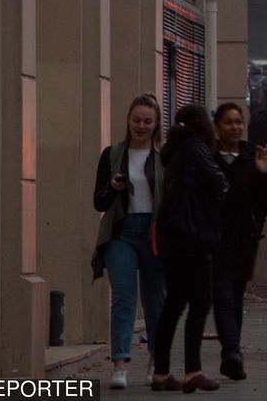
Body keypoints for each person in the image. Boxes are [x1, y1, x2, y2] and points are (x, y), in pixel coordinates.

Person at [151, 105, 230, 392]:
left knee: (173, 303)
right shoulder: (195, 147)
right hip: (194, 236)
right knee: (200, 303)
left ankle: (160, 373)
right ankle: (192, 370)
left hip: (172, 237)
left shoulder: (171, 150)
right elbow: (219, 182)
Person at [92, 93, 166, 390]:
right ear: (128, 120)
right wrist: (112, 188)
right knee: (123, 297)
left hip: (154, 233)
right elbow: (98, 202)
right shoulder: (113, 154)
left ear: (156, 123)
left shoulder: (163, 157)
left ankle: (155, 361)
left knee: (155, 300)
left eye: (148, 121)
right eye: (136, 120)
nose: (141, 126)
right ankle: (120, 363)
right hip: (121, 233)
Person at [210, 103, 267, 382]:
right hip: (214, 238)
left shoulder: (253, 156)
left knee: (235, 295)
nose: (235, 127)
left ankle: (231, 351)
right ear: (218, 126)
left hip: (244, 238)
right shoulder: (208, 156)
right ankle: (232, 351)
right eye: (228, 122)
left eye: (238, 122)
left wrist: (264, 172)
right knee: (222, 293)